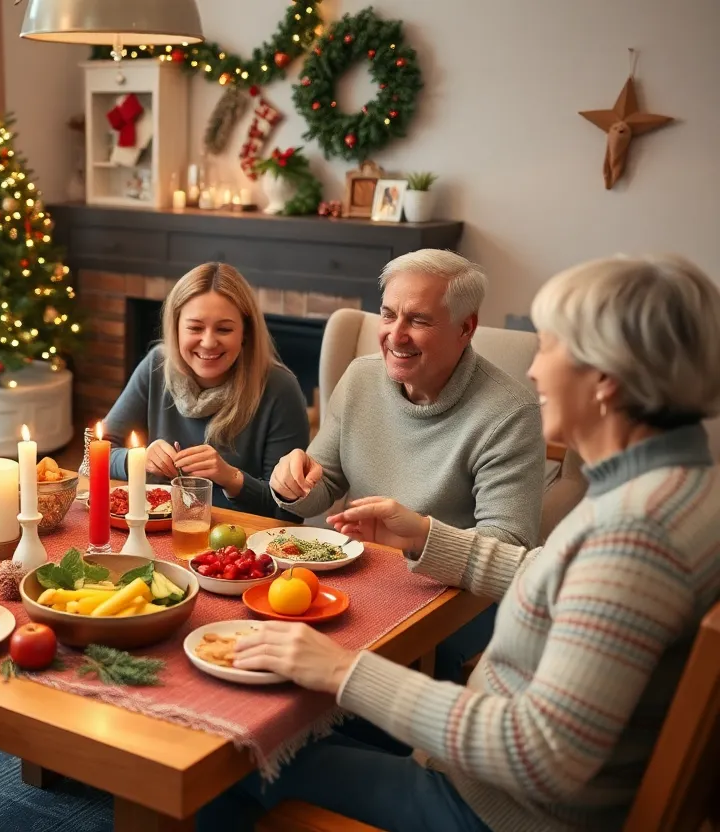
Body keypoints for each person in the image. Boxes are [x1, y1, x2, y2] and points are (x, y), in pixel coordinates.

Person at [200, 254, 720, 832]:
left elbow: (540, 756)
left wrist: (343, 671)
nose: (535, 371)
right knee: (296, 721)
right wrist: (426, 536)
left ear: (606, 380)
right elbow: (551, 575)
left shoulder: (635, 535)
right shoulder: (677, 489)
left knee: (229, 758)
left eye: (548, 348)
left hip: (491, 811)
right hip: (482, 776)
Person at [270, 249, 545, 680]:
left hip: (454, 600)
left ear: (465, 328)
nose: (395, 336)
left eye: (418, 320)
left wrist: (420, 537)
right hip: (356, 575)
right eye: (388, 315)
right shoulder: (360, 377)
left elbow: (510, 548)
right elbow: (319, 489)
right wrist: (293, 484)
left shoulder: (510, 414)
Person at [103, 262, 309, 518]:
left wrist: (231, 478)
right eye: (195, 327)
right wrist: (137, 459)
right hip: (157, 530)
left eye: (224, 329)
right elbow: (94, 458)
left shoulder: (280, 387)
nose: (209, 342)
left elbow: (289, 513)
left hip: (239, 544)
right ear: (175, 328)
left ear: (245, 332)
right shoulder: (157, 365)